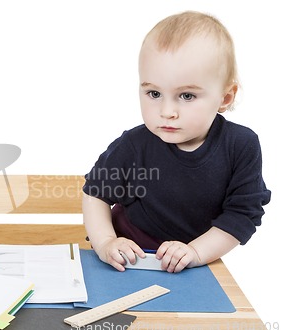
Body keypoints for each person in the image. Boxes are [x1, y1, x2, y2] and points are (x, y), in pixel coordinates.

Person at [82, 11, 271, 273]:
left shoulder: (241, 146)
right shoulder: (134, 144)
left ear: (225, 98)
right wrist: (106, 242)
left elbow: (242, 214)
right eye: (154, 93)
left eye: (187, 96)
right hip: (127, 260)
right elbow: (95, 193)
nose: (167, 111)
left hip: (194, 263)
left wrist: (195, 252)